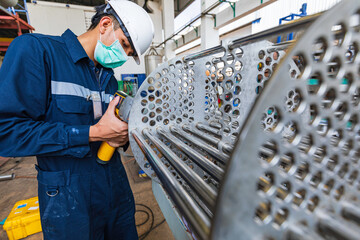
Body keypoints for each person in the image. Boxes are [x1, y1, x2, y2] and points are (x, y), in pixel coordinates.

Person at [0, 0, 154, 239]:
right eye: (124, 45)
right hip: (68, 200)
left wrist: (126, 136)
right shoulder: (37, 52)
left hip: (115, 188)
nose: (123, 56)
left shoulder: (109, 79)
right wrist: (93, 133)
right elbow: (8, 132)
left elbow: (111, 130)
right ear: (104, 24)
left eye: (130, 54)